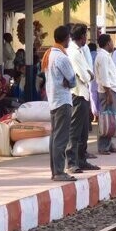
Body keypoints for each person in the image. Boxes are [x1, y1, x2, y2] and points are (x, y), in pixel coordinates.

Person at [43, 25, 77, 180]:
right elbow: (72, 80)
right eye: (69, 38)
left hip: (53, 100)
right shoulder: (62, 57)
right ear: (65, 38)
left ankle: (55, 170)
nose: (70, 40)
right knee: (61, 138)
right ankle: (59, 172)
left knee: (55, 137)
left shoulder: (49, 54)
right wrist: (68, 82)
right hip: (63, 100)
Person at [65, 24, 99, 174]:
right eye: (85, 35)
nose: (87, 38)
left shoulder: (80, 51)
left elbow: (89, 72)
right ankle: (71, 161)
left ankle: (81, 159)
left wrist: (89, 75)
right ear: (81, 36)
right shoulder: (73, 52)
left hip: (84, 93)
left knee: (84, 130)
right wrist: (88, 75)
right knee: (75, 130)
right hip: (77, 93)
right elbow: (85, 75)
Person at [94, 33, 116, 155]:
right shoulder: (103, 57)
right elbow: (104, 76)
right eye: (111, 41)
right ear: (108, 43)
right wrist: (109, 94)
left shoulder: (106, 56)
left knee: (110, 118)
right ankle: (103, 146)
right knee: (106, 119)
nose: (113, 44)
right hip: (107, 92)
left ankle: (109, 144)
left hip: (111, 91)